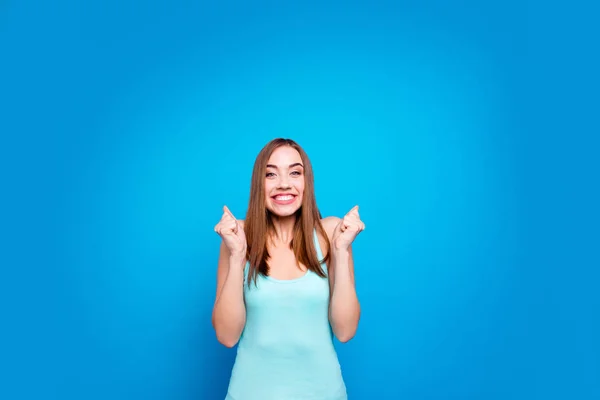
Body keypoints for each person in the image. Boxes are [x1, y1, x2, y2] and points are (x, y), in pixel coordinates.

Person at [212, 138, 364, 400]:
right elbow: (227, 336)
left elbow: (345, 331)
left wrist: (340, 252)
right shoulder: (238, 236)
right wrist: (238, 255)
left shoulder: (331, 233)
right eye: (271, 174)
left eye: (295, 172)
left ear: (307, 182)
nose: (284, 183)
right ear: (259, 184)